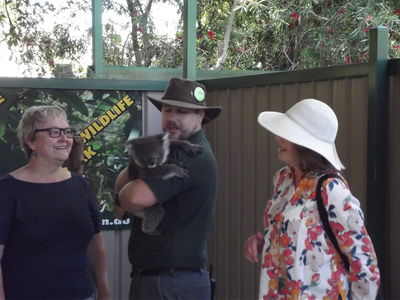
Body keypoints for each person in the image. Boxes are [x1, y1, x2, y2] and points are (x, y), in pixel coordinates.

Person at [243, 99, 380, 299]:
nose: (278, 139)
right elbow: (300, 239)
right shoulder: (283, 179)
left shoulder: (331, 189)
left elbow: (364, 263)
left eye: (287, 134)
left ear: (304, 144)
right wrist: (266, 242)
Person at [114, 77, 222, 300]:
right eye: (167, 109)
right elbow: (124, 185)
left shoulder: (191, 154)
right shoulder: (167, 147)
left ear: (200, 115)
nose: (171, 117)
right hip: (160, 280)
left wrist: (119, 197)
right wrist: (137, 165)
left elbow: (133, 198)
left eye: (181, 112)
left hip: (172, 283)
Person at [0, 105, 110, 300]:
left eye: (67, 132)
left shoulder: (80, 185)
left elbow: (96, 244)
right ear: (30, 141)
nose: (64, 139)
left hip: (81, 295)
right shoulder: (8, 190)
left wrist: (104, 291)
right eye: (54, 132)